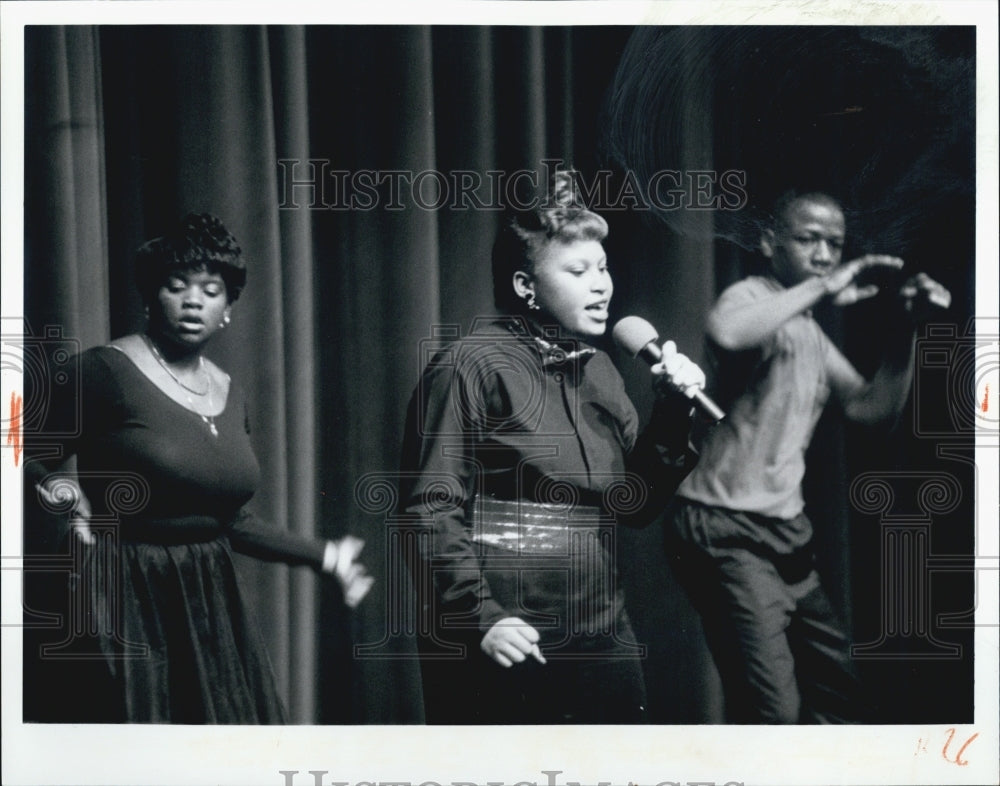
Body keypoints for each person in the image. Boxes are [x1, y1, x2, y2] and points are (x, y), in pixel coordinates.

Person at [24, 213, 374, 723]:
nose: (194, 300)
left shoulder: (229, 391)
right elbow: (18, 447)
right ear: (150, 295)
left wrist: (326, 556)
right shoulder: (102, 372)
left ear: (228, 307)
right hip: (123, 593)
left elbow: (228, 520)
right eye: (177, 285)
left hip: (208, 603)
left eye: (211, 290)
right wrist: (56, 486)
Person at [397, 171, 706, 724]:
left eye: (604, 267)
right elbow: (429, 508)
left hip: (601, 631)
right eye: (578, 270)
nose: (602, 285)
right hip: (508, 630)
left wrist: (673, 409)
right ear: (525, 286)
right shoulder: (469, 365)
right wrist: (482, 617)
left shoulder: (603, 373)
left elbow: (633, 508)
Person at [667, 190, 952, 723]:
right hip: (724, 529)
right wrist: (825, 286)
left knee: (843, 702)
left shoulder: (810, 334)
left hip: (785, 537)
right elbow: (728, 332)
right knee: (773, 712)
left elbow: (870, 410)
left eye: (834, 245)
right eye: (808, 239)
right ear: (769, 242)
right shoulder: (748, 296)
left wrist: (904, 330)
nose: (824, 254)